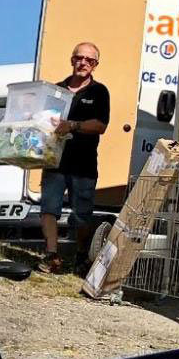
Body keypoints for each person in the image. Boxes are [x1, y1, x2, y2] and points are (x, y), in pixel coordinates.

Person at [41, 42, 110, 273]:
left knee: (82, 214)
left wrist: (73, 125)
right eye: (79, 58)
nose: (83, 63)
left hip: (84, 164)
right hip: (55, 160)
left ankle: (81, 254)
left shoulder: (99, 92)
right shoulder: (56, 90)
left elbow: (100, 125)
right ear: (72, 60)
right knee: (48, 208)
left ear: (95, 65)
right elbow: (43, 120)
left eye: (89, 60)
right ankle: (51, 256)